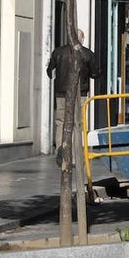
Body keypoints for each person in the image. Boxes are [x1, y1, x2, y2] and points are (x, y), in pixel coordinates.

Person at [47, 29, 100, 164]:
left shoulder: (58, 52)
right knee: (78, 124)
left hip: (61, 94)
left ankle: (62, 152)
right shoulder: (87, 54)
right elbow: (96, 73)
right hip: (79, 93)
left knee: (61, 122)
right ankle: (76, 156)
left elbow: (50, 71)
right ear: (82, 39)